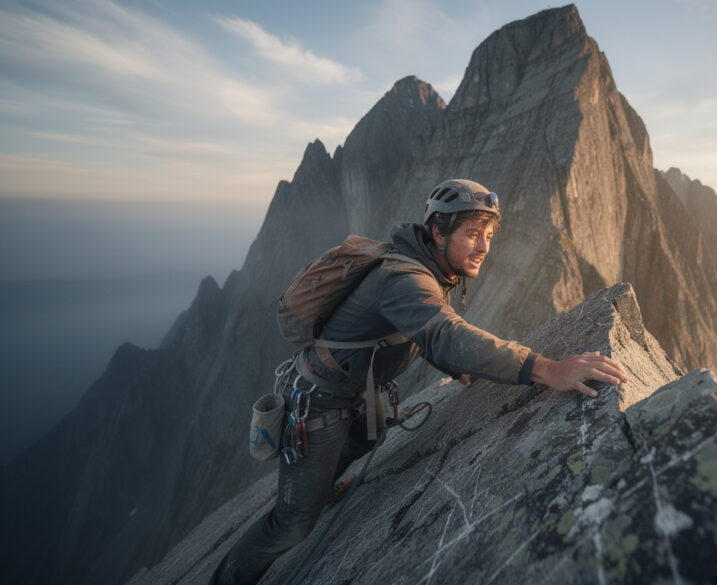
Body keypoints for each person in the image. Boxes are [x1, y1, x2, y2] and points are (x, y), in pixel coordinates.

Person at [210, 179, 628, 584]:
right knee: (292, 525)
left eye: (488, 235)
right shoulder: (406, 279)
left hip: (352, 389)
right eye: (472, 234)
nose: (484, 246)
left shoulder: (426, 267)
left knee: (368, 437)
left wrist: (450, 367)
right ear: (437, 232)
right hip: (319, 402)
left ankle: (322, 483)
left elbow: (415, 328)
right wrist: (547, 368)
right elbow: (443, 333)